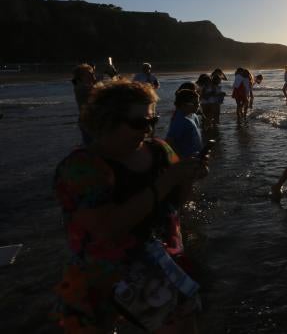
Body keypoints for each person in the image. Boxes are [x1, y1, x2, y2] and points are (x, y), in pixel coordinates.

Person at [53, 80, 207, 333]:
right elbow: (107, 228)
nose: (147, 130)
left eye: (152, 120)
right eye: (138, 123)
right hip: (107, 282)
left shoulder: (159, 150)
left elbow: (173, 206)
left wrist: (188, 178)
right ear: (106, 121)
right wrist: (168, 180)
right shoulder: (81, 168)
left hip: (164, 267)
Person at [166, 89, 204, 159]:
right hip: (186, 160)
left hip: (197, 157)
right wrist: (180, 159)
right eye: (195, 103)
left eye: (198, 103)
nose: (198, 105)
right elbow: (170, 142)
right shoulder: (179, 121)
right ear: (183, 104)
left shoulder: (193, 116)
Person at [72, 64, 97, 144]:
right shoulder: (81, 88)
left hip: (90, 121)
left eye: (92, 73)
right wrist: (114, 76)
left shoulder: (84, 86)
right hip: (89, 122)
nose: (92, 75)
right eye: (89, 73)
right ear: (81, 77)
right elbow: (103, 90)